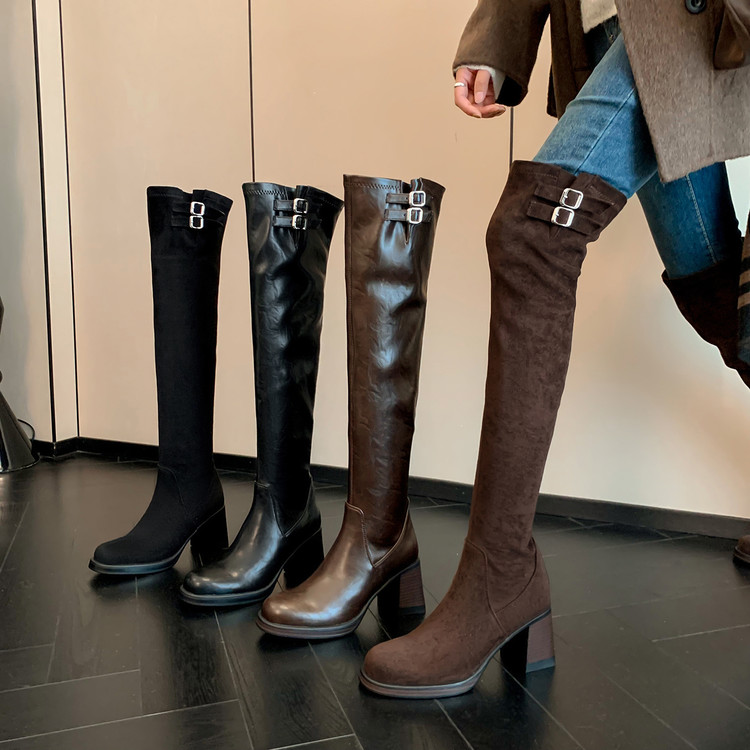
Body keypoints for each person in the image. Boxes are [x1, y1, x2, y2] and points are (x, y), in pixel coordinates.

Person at [359, 0, 750, 699]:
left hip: (687, 19)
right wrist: (498, 39)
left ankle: (501, 575)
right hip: (604, 25)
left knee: (533, 235)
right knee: (717, 286)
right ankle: (502, 580)